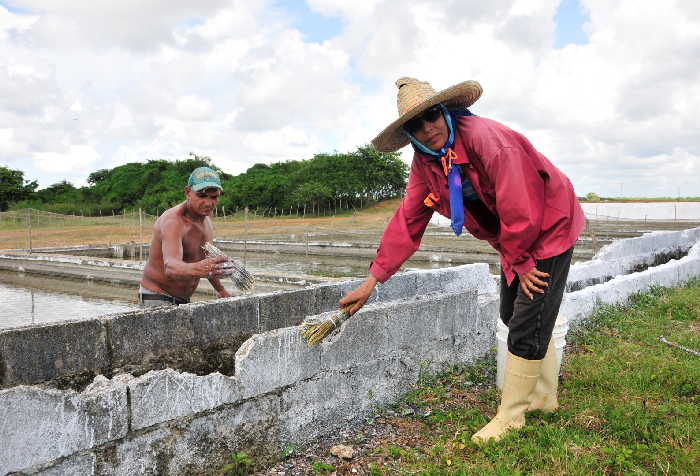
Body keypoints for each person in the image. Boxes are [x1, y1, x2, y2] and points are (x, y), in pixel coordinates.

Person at [339, 77, 585, 443]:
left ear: (447, 112)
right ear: (409, 133)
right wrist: (373, 281)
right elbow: (408, 220)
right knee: (512, 313)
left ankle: (512, 415)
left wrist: (522, 260)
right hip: (512, 236)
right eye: (416, 125)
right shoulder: (426, 164)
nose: (428, 128)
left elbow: (522, 205)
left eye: (433, 115)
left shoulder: (489, 141)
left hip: (547, 224)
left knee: (528, 316)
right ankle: (544, 397)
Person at [139, 166, 232, 307]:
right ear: (188, 192)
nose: (208, 203)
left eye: (214, 197)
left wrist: (221, 290)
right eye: (201, 196)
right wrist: (201, 269)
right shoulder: (173, 221)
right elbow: (171, 267)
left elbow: (206, 262)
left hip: (183, 300)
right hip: (157, 297)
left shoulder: (206, 220)